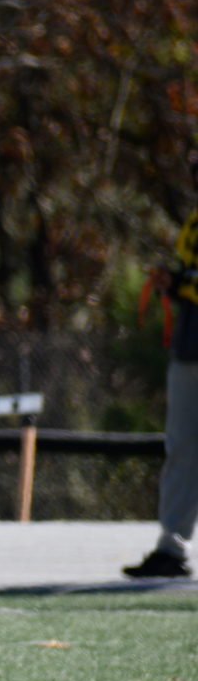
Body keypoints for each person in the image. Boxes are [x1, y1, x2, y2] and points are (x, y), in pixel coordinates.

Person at [123, 150, 198, 579]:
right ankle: (172, 548)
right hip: (190, 348)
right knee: (182, 449)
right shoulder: (193, 224)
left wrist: (183, 283)